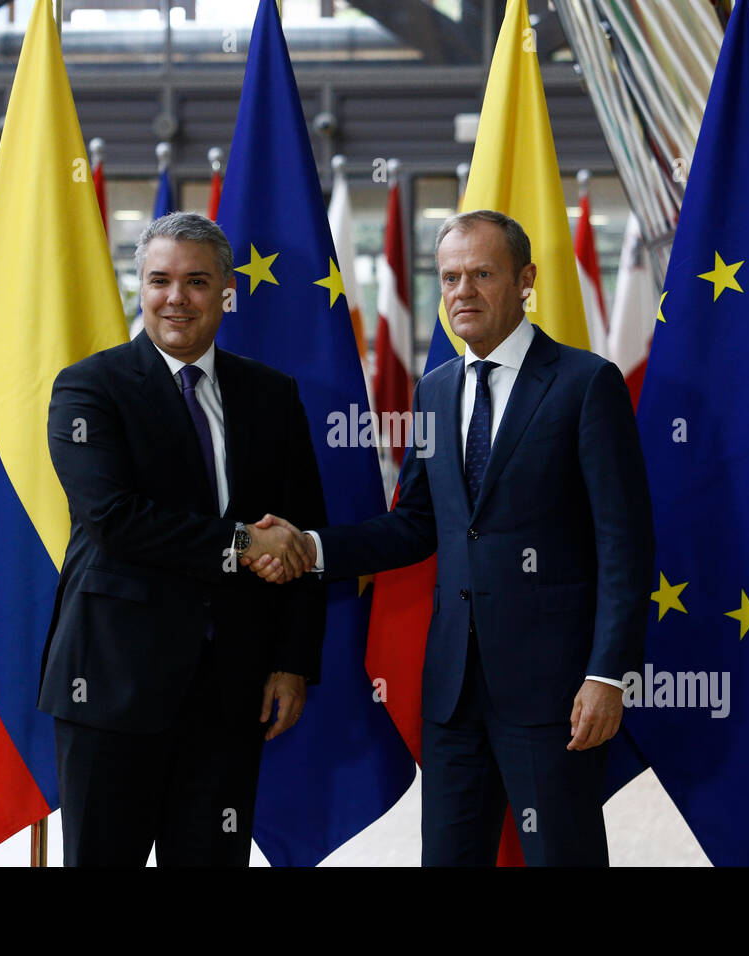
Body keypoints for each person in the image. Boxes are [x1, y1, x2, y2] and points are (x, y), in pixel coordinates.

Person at [248, 210, 655, 866]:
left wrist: (608, 674)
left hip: (554, 692)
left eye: (481, 274)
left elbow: (624, 543)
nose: (461, 290)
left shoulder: (586, 385)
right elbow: (416, 523)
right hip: (452, 693)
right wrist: (312, 548)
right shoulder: (434, 391)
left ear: (525, 280)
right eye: (449, 277)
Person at [39, 211, 323, 866]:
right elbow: (113, 519)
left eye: (196, 281)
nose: (176, 298)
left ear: (226, 289)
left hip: (231, 691)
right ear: (139, 286)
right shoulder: (89, 388)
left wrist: (290, 660)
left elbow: (302, 534)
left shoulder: (272, 395)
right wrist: (241, 545)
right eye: (159, 280)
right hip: (110, 687)